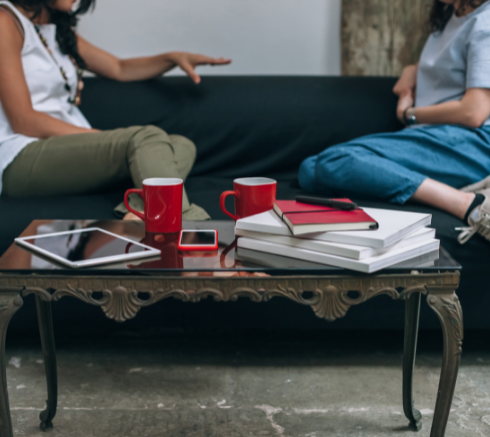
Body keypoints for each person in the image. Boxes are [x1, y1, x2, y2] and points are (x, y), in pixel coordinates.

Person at [0, 0, 232, 220]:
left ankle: (138, 213)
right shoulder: (6, 21)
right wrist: (108, 141)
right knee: (145, 139)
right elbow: (24, 120)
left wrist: (171, 58)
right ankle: (182, 223)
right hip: (21, 155)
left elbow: (118, 68)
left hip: (67, 151)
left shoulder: (55, 28)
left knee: (180, 144)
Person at [299, 0, 490, 244]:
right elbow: (455, 63)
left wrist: (409, 113)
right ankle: (436, 186)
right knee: (309, 170)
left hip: (474, 143)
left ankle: (466, 203)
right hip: (441, 136)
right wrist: (412, 70)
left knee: (333, 162)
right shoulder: (455, 11)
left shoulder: (485, 21)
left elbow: (474, 112)